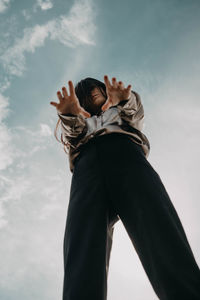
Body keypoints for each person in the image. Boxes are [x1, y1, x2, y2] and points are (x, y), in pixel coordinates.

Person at [50, 75, 200, 300]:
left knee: (159, 229)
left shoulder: (121, 113)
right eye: (86, 92)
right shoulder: (81, 124)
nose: (92, 92)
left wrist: (124, 99)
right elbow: (72, 133)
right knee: (82, 246)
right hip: (86, 169)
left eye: (95, 89)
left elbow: (133, 110)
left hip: (127, 158)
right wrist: (69, 114)